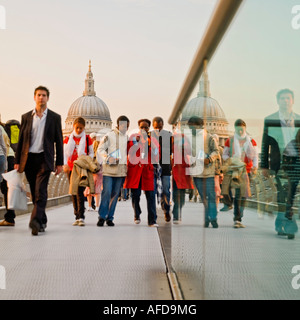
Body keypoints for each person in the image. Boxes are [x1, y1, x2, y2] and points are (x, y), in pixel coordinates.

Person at [15, 86, 64, 235]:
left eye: (44, 95)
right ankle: (42, 220)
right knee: (35, 193)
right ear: (34, 97)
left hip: (45, 158)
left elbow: (59, 141)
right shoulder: (26, 117)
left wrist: (59, 163)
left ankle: (35, 221)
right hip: (29, 159)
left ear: (48, 98)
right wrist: (17, 161)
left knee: (41, 191)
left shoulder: (55, 117)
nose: (41, 98)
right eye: (38, 95)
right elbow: (21, 140)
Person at [261, 88, 300, 239]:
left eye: (288, 98)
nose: (285, 101)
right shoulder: (270, 120)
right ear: (278, 101)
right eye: (282, 98)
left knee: (292, 195)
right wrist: (264, 165)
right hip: (279, 163)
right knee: (284, 194)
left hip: (296, 163)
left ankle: (282, 223)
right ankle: (289, 225)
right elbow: (265, 145)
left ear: (293, 101)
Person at [222, 119, 258, 228]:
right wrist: (233, 161)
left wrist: (255, 167)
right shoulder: (230, 140)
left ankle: (239, 216)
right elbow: (224, 155)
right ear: (235, 129)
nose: (241, 132)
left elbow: (255, 155)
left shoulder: (251, 141)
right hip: (236, 170)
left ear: (245, 129)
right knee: (238, 194)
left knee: (244, 195)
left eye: (242, 129)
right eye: (238, 129)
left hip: (247, 170)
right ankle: (237, 219)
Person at [124, 119, 159, 227]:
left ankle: (152, 220)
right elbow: (128, 152)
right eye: (142, 127)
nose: (144, 129)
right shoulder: (133, 138)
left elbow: (157, 156)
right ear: (139, 127)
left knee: (151, 196)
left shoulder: (152, 140)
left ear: (149, 128)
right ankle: (137, 213)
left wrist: (152, 147)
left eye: (146, 127)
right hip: (135, 171)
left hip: (147, 170)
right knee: (135, 195)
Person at [96, 116, 130, 227]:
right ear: (119, 125)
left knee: (115, 195)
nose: (126, 128)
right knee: (106, 193)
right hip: (109, 171)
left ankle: (110, 218)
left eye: (127, 126)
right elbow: (100, 149)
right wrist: (107, 158)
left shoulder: (127, 138)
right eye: (124, 126)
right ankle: (102, 216)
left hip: (121, 171)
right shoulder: (109, 136)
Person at [187, 116, 220, 228]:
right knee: (203, 197)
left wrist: (209, 159)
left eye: (193, 126)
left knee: (211, 196)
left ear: (200, 126)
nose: (191, 129)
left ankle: (213, 218)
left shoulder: (209, 137)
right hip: (197, 173)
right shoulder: (189, 139)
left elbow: (216, 151)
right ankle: (207, 218)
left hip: (208, 172)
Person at [64, 117, 94, 226]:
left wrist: (86, 160)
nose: (79, 130)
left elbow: (91, 152)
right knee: (73, 192)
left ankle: (81, 216)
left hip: (81, 169)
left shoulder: (87, 139)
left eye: (81, 128)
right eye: (77, 128)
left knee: (80, 192)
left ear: (84, 128)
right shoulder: (68, 139)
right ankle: (76, 214)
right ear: (73, 126)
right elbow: (64, 153)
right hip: (71, 168)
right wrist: (65, 165)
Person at [151, 117, 173, 222]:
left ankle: (166, 211)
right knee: (152, 191)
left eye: (160, 127)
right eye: (156, 128)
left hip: (165, 168)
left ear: (163, 125)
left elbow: (170, 152)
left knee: (166, 191)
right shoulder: (149, 136)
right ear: (153, 126)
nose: (158, 130)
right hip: (153, 168)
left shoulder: (168, 135)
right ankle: (153, 214)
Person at [172, 123, 194, 224]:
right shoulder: (171, 139)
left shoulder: (185, 139)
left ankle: (176, 211)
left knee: (182, 196)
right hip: (175, 170)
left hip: (184, 171)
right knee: (177, 195)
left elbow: (190, 152)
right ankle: (176, 215)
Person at [0, 118, 19, 226]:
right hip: (10, 158)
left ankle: (10, 218)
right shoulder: (3, 128)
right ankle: (10, 217)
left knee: (5, 188)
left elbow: (4, 146)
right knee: (6, 189)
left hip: (5, 159)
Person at [85, 132, 103, 212]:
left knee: (89, 188)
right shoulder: (101, 152)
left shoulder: (90, 152)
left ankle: (89, 206)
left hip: (90, 172)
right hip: (99, 172)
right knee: (98, 189)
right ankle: (98, 206)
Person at [211, 134, 223, 212]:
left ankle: (216, 206)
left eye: (216, 140)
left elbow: (222, 162)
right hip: (208, 172)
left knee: (217, 190)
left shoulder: (221, 150)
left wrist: (222, 172)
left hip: (216, 173)